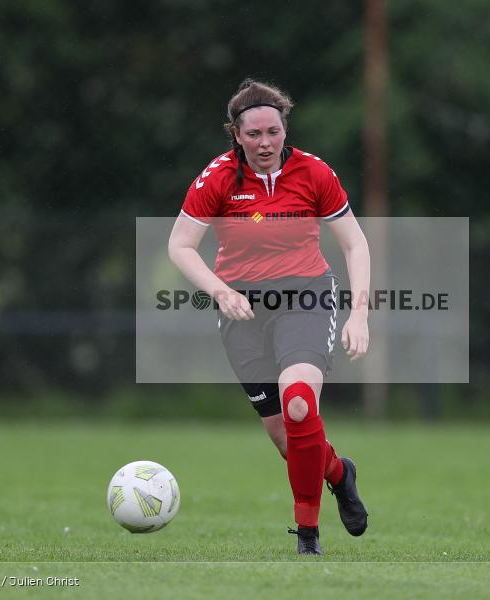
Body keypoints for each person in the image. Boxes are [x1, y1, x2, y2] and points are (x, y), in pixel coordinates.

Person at [167, 79, 371, 555]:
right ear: (236, 135)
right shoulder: (217, 178)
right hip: (242, 310)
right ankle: (339, 473)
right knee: (287, 440)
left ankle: (308, 535)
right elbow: (180, 245)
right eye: (254, 134)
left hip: (306, 296)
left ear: (285, 130)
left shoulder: (314, 172)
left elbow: (355, 243)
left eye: (273, 132)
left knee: (299, 403)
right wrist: (220, 292)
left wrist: (359, 314)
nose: (265, 143)